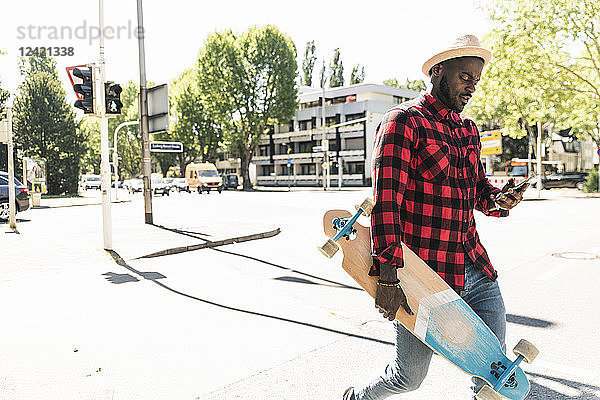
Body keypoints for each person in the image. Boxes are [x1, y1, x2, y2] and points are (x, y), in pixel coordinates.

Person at [343, 35, 529, 400]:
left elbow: (478, 193)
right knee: (408, 378)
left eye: (476, 80)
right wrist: (389, 275)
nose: (472, 86)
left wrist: (502, 199)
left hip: (476, 270)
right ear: (439, 71)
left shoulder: (468, 130)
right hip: (425, 280)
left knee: (496, 377)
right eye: (465, 77)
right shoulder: (403, 122)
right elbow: (386, 203)